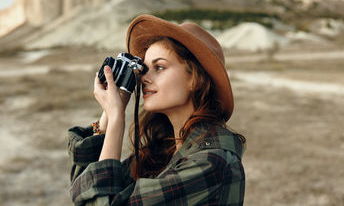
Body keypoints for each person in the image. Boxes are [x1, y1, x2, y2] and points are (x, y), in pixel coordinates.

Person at [67, 14, 246, 205]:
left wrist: (116, 119)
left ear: (195, 79)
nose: (143, 78)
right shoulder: (162, 151)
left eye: (159, 67)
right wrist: (106, 119)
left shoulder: (212, 163)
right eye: (144, 69)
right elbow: (84, 190)